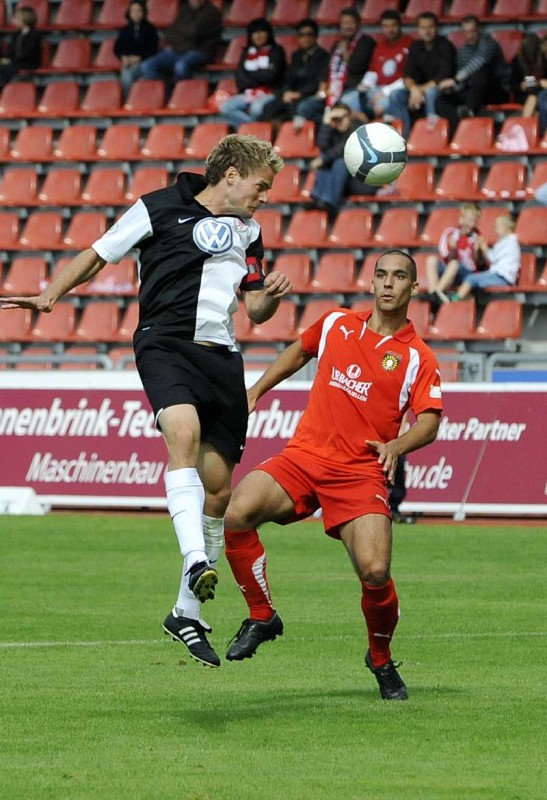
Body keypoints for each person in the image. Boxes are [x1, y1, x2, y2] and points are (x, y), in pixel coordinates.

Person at [0, 134, 292, 670]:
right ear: (231, 175)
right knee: (182, 434)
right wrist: (50, 295)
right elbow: (99, 253)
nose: (265, 196)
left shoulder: (250, 230)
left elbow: (254, 310)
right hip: (165, 343)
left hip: (223, 359)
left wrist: (269, 296)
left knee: (218, 490)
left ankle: (185, 612)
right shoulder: (158, 207)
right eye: (261, 185)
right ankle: (196, 559)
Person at [223, 250, 443, 701]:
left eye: (399, 276)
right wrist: (257, 390)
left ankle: (380, 658)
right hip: (305, 457)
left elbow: (429, 421)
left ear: (413, 288)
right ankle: (262, 615)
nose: (388, 283)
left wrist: (396, 446)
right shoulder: (336, 323)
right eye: (381, 274)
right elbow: (299, 351)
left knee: (376, 571)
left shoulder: (418, 357)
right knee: (237, 512)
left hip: (360, 473)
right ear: (372, 282)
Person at [294, 7, 375, 129]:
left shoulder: (366, 42)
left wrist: (346, 53)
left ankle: (335, 124)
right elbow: (326, 71)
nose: (347, 26)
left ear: (358, 24)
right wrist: (322, 89)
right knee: (305, 107)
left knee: (342, 106)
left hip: (352, 90)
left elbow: (356, 67)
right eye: (344, 23)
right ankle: (329, 123)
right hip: (331, 92)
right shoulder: (336, 46)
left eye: (350, 22)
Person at [435, 16, 510, 136]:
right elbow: (462, 78)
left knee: (480, 72)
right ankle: (459, 132)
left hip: (495, 90)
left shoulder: (489, 44)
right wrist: (453, 89)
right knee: (441, 100)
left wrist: (454, 80)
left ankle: (469, 112)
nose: (470, 35)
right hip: (472, 93)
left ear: (479, 29)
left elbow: (479, 62)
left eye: (473, 31)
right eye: (466, 32)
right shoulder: (462, 51)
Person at [386, 12, 456, 138]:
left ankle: (432, 135)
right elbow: (407, 75)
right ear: (418, 30)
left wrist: (419, 91)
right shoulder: (415, 46)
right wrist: (413, 89)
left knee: (430, 93)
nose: (427, 31)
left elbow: (442, 76)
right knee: (395, 95)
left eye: (430, 27)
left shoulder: (446, 45)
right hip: (418, 90)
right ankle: (404, 136)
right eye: (423, 28)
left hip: (442, 89)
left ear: (437, 28)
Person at [342, 9, 413, 121]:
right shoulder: (380, 45)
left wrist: (385, 92)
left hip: (398, 90)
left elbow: (409, 78)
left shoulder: (410, 43)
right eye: (386, 26)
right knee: (345, 102)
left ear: (400, 26)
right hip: (377, 89)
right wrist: (365, 85)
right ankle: (362, 125)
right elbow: (373, 71)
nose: (390, 30)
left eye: (393, 26)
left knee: (380, 106)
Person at [308, 102, 376, 217]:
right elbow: (322, 146)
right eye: (335, 119)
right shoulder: (334, 131)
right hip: (344, 182)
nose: (338, 122)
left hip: (363, 182)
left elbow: (345, 147)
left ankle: (330, 202)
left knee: (341, 162)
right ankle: (318, 198)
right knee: (326, 164)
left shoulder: (359, 129)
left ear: (349, 116)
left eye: (341, 119)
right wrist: (326, 124)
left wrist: (323, 159)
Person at [259, 19, 329, 129]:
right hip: (292, 95)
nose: (305, 38)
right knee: (268, 108)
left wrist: (299, 94)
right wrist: (287, 92)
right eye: (302, 35)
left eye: (309, 34)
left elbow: (320, 82)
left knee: (293, 109)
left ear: (316, 37)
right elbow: (288, 78)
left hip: (308, 96)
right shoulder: (296, 56)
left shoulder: (323, 56)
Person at [220, 18, 286, 130]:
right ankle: (256, 130)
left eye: (262, 32)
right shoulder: (246, 52)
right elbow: (240, 80)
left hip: (270, 92)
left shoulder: (277, 51)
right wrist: (260, 75)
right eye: (255, 33)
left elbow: (271, 77)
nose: (258, 36)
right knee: (226, 107)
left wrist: (250, 74)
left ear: (268, 34)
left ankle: (252, 132)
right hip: (248, 93)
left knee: (256, 109)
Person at [137, 0, 222, 86]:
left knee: (180, 66)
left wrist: (180, 32)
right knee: (146, 65)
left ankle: (182, 91)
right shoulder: (185, 9)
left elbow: (194, 31)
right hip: (179, 49)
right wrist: (183, 34)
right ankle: (168, 89)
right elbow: (170, 32)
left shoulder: (212, 12)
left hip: (200, 51)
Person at [449, 214, 521, 300]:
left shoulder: (509, 242)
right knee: (472, 282)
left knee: (471, 279)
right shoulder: (505, 241)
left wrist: (484, 246)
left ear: (506, 228)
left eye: (498, 227)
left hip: (502, 277)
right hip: (498, 275)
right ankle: (461, 301)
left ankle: (454, 300)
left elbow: (492, 258)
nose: (495, 230)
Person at [425, 202, 483, 303]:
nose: (472, 224)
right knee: (431, 260)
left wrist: (477, 251)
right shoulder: (450, 233)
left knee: (454, 264)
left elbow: (479, 264)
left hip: (467, 272)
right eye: (469, 220)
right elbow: (446, 256)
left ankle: (436, 294)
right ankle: (433, 292)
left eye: (475, 221)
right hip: (450, 269)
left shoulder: (478, 237)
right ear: (461, 219)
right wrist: (452, 248)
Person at [114, 1, 159, 97]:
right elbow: (117, 48)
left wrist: (140, 57)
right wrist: (123, 57)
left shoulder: (150, 29)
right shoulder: (125, 29)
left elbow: (153, 49)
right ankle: (128, 100)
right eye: (133, 11)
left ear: (143, 12)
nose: (136, 13)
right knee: (126, 75)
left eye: (138, 10)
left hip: (145, 62)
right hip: (129, 62)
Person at [0, 5, 42, 89]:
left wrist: (11, 60)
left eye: (16, 18)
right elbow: (11, 50)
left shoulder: (34, 35)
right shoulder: (16, 34)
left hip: (29, 62)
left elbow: (27, 53)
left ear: (25, 20)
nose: (13, 20)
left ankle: (3, 85)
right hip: (16, 61)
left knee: (10, 67)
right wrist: (7, 59)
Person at [510, 33, 547, 119]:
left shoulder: (544, 61)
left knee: (535, 95)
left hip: (541, 92)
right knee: (533, 95)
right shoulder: (518, 61)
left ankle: (526, 121)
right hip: (524, 94)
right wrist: (521, 86)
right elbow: (513, 85)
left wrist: (540, 83)